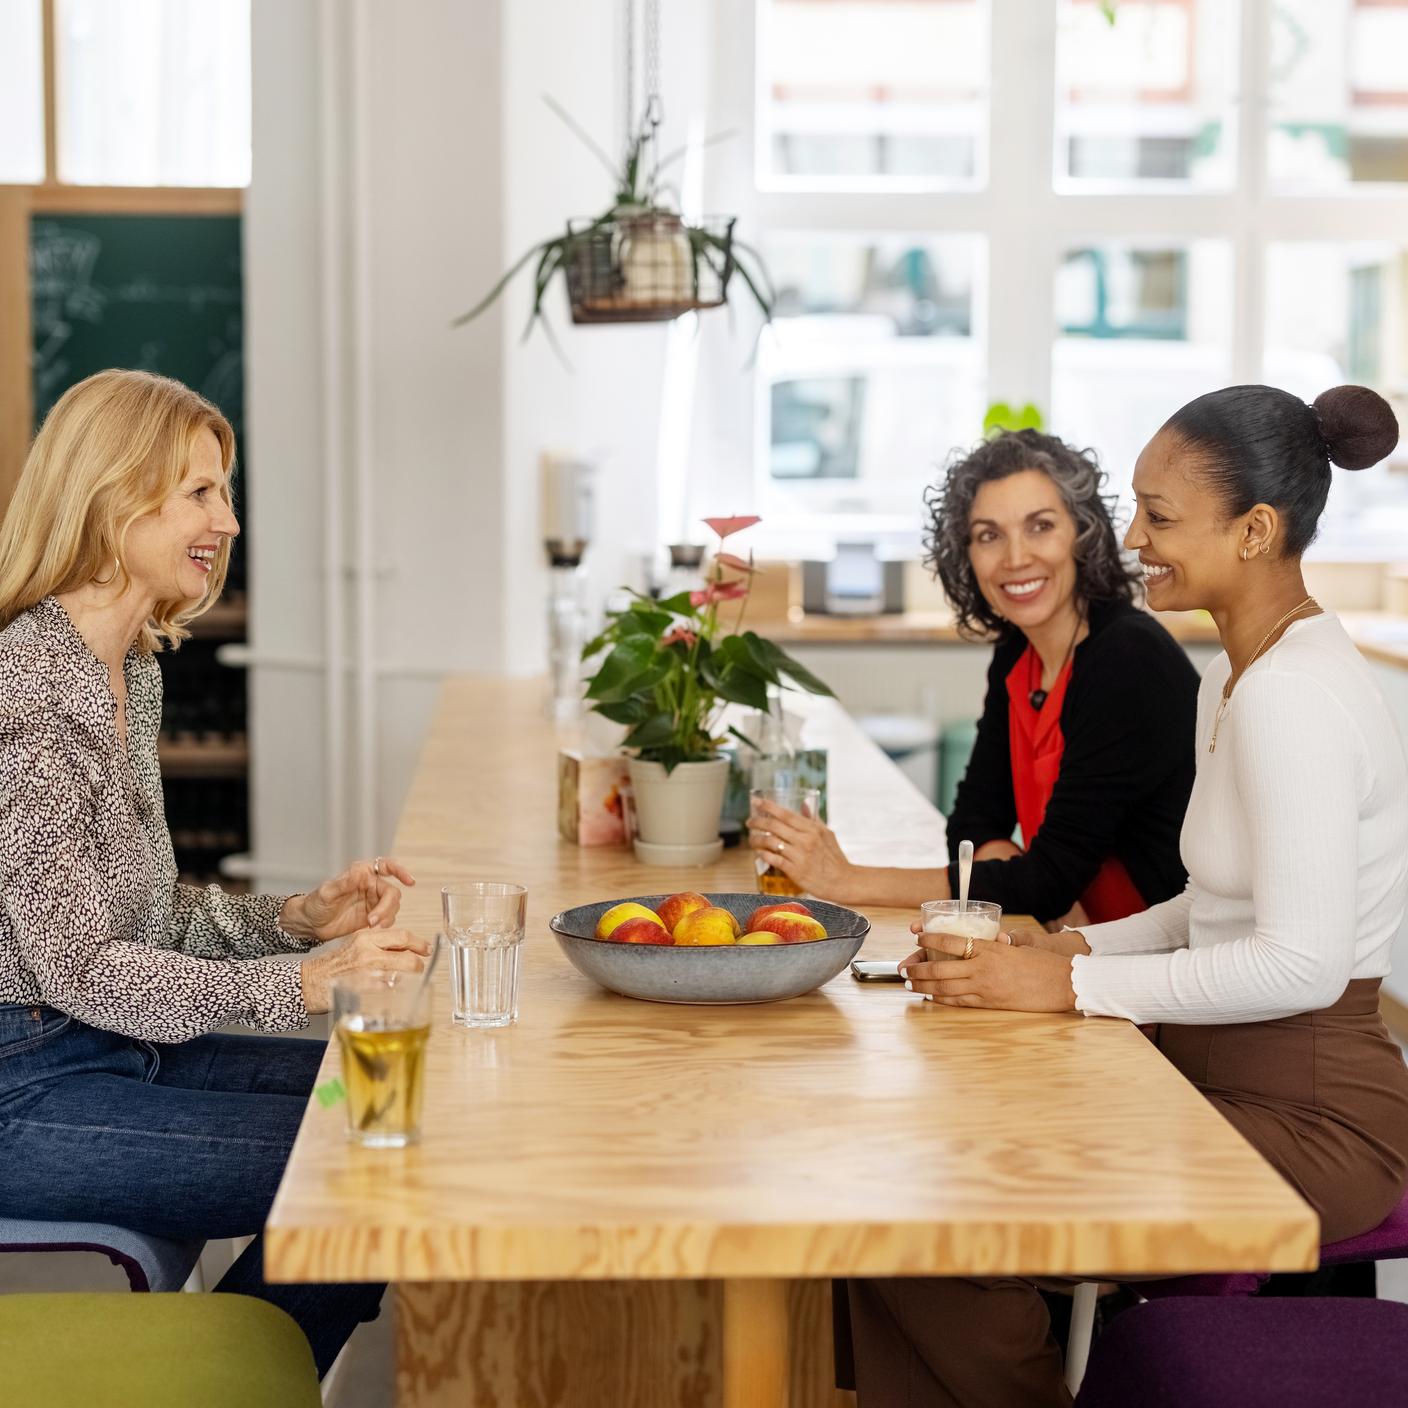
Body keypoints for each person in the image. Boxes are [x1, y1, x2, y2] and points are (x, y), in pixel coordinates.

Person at [850, 384, 1408, 1408]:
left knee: (928, 1217)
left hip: (1311, 1110)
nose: (1135, 538)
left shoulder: (1293, 697)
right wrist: (1065, 955)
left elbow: (1300, 962)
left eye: (1160, 516)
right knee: (911, 1199)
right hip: (1220, 1073)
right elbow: (1209, 908)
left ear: (1253, 531)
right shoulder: (1243, 675)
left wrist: (1065, 989)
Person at [0, 369, 429, 1376]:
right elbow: (80, 966)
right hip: (25, 1088)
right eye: (200, 491)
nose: (227, 522)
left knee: (395, 1105)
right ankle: (218, 1383)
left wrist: (296, 917)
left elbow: (145, 913)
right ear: (113, 495)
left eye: (223, 494)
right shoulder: (25, 695)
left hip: (118, 1051)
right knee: (372, 1155)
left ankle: (226, 1370)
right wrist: (305, 982)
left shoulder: (127, 669)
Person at [749, 430, 1199, 926]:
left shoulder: (1127, 658)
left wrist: (848, 879)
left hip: (1165, 966)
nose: (1015, 558)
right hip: (1090, 943)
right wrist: (1016, 878)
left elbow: (1048, 882)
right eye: (989, 535)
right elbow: (972, 826)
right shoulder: (1017, 652)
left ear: (1083, 533)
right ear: (967, 556)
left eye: (1040, 526)